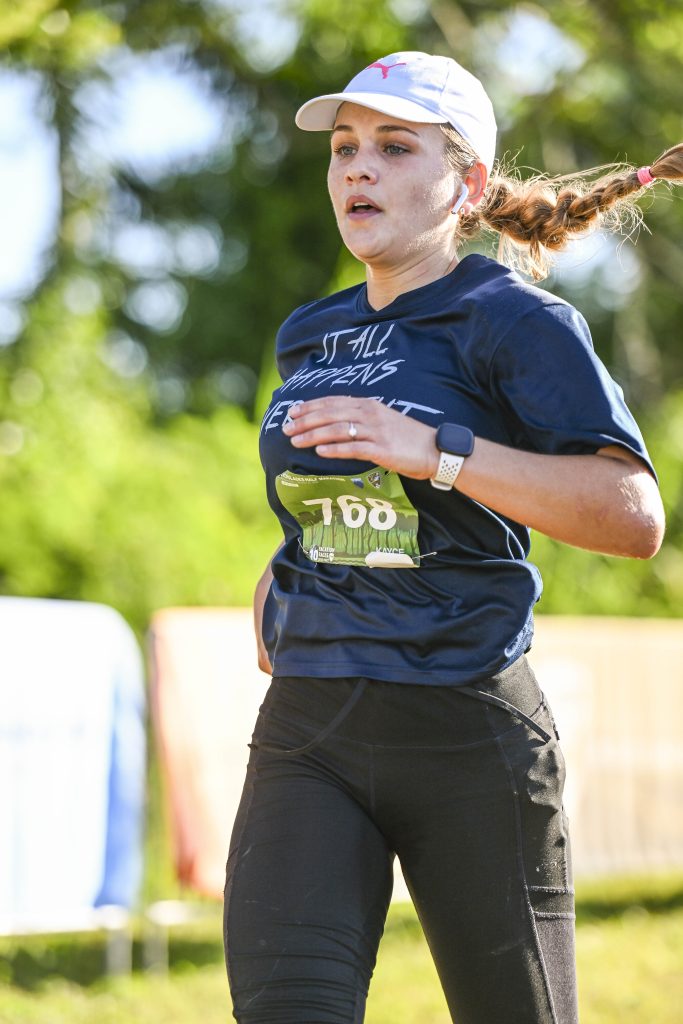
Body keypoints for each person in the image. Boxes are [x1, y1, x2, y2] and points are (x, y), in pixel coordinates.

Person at [224, 52, 681, 1024]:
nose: (357, 168)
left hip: (465, 727)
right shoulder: (309, 332)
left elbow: (632, 515)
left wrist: (437, 449)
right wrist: (282, 575)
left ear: (465, 182)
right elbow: (334, 498)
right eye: (344, 148)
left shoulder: (511, 320)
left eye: (394, 148)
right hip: (311, 727)